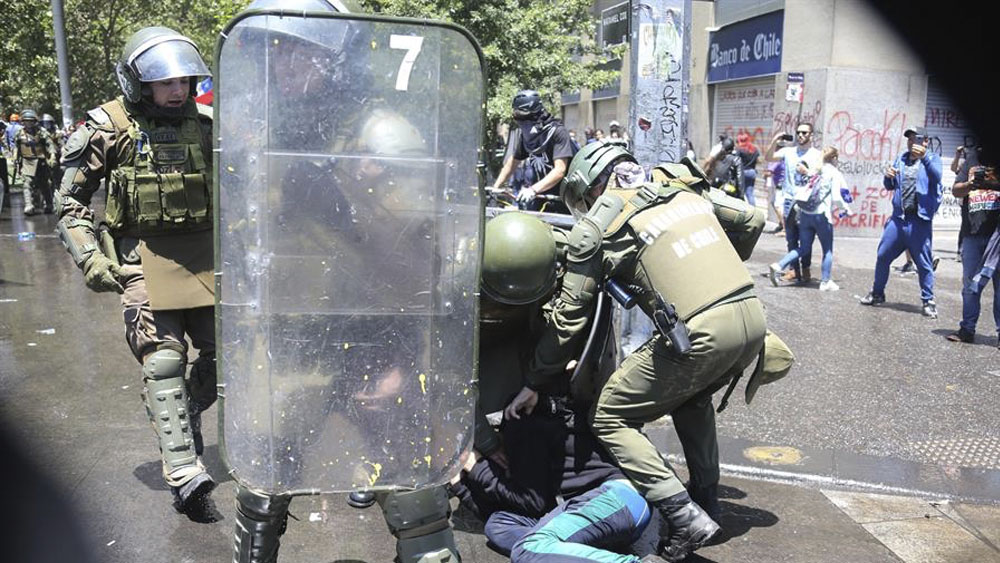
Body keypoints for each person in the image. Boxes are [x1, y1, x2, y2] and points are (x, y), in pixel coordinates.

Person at [505, 142, 768, 562]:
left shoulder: (599, 225)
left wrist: (536, 379)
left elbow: (570, 318)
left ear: (588, 188)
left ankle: (683, 516)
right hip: (754, 320)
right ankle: (708, 501)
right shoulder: (678, 185)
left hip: (702, 332)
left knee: (611, 414)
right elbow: (753, 218)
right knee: (690, 396)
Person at [55, 26, 218, 514]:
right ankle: (185, 472)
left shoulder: (211, 125)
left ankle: (184, 414)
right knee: (163, 360)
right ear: (137, 82)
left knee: (229, 359)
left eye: (185, 81)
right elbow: (70, 203)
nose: (178, 90)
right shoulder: (108, 127)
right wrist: (91, 259)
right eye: (166, 82)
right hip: (140, 258)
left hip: (209, 259)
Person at [860, 126, 944, 317]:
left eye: (916, 139)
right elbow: (890, 185)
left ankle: (928, 301)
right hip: (898, 219)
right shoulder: (902, 158)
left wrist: (925, 157)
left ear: (925, 142)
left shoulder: (933, 159)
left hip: (919, 221)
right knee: (882, 256)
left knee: (923, 264)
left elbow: (937, 177)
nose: (911, 143)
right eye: (909, 139)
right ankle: (877, 293)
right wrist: (887, 176)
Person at [768, 147, 854, 291]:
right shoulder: (833, 172)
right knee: (827, 250)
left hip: (806, 214)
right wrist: (846, 210)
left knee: (803, 248)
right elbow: (837, 197)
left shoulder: (814, 169)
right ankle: (825, 281)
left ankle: (779, 265)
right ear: (834, 158)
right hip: (822, 216)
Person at [491, 90, 577, 211]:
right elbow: (512, 163)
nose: (522, 123)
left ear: (535, 115)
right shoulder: (526, 137)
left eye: (524, 118)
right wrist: (496, 187)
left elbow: (560, 170)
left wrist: (533, 190)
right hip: (540, 197)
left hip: (565, 200)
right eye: (518, 118)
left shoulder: (558, 132)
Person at [946, 159, 999, 343]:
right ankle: (967, 330)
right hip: (972, 234)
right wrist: (970, 184)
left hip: (997, 236)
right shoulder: (972, 161)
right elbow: (955, 190)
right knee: (970, 286)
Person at [764, 123, 822, 282]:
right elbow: (769, 157)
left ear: (811, 135)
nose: (801, 135)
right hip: (789, 201)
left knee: (807, 239)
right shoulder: (788, 151)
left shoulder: (817, 155)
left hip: (808, 203)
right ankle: (794, 270)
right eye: (798, 132)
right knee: (791, 238)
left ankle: (806, 268)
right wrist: (775, 140)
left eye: (804, 132)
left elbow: (821, 176)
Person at [14, 109, 56, 215]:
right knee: (27, 184)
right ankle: (29, 205)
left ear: (34, 121)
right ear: (23, 121)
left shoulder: (41, 132)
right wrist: (15, 158)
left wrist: (52, 155)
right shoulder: (19, 133)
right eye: (26, 121)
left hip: (40, 161)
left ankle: (49, 205)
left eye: (31, 121)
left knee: (44, 184)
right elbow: (16, 146)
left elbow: (49, 144)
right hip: (27, 161)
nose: (28, 123)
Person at [703, 135, 743, 199]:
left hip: (713, 192)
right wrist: (741, 197)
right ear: (733, 148)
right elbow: (740, 180)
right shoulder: (736, 160)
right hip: (727, 194)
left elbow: (708, 172)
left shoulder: (717, 158)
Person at [736, 133, 760, 207]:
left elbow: (736, 161)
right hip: (752, 172)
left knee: (740, 192)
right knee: (750, 193)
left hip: (742, 172)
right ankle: (753, 210)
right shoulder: (754, 149)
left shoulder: (740, 150)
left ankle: (740, 208)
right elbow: (759, 161)